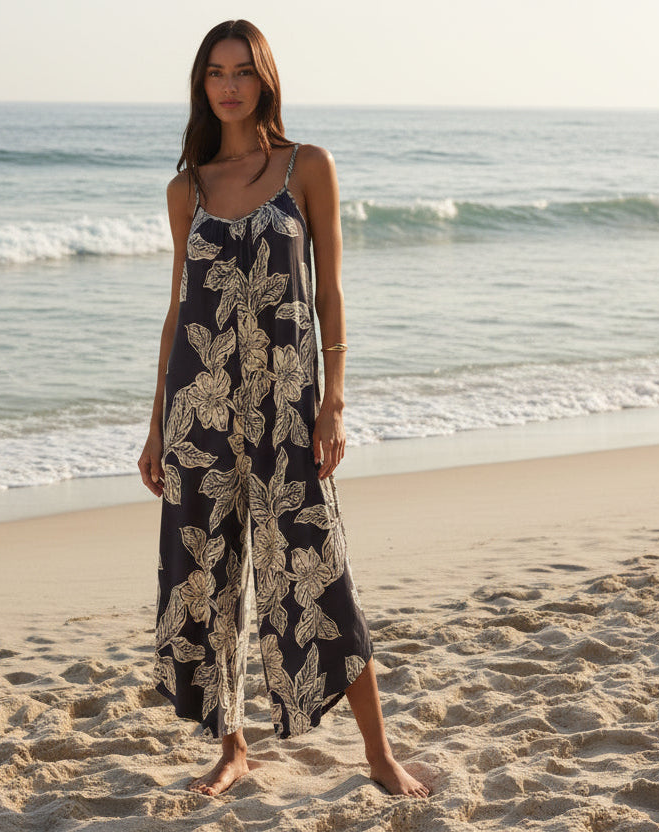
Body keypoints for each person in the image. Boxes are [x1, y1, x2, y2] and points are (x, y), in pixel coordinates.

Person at [138, 19, 431, 800]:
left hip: (285, 410)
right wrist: (155, 422)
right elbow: (177, 312)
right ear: (202, 85)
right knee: (203, 576)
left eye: (242, 70)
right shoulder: (188, 187)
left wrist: (334, 401)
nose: (229, 84)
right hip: (200, 410)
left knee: (316, 568)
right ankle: (232, 748)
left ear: (265, 78)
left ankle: (378, 752)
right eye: (215, 72)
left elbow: (330, 289)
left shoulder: (307, 167)